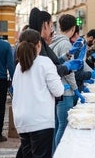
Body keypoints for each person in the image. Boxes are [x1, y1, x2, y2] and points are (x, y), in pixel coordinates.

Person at [12, 29, 64, 157]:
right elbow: (58, 91)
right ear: (39, 45)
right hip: (40, 120)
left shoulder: (19, 66)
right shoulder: (44, 62)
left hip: (21, 120)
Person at [49, 14, 85, 151]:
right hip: (66, 91)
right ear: (73, 28)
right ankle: (60, 152)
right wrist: (75, 89)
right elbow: (69, 71)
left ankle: (54, 152)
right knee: (63, 127)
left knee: (57, 126)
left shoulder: (54, 40)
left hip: (57, 90)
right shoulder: (65, 43)